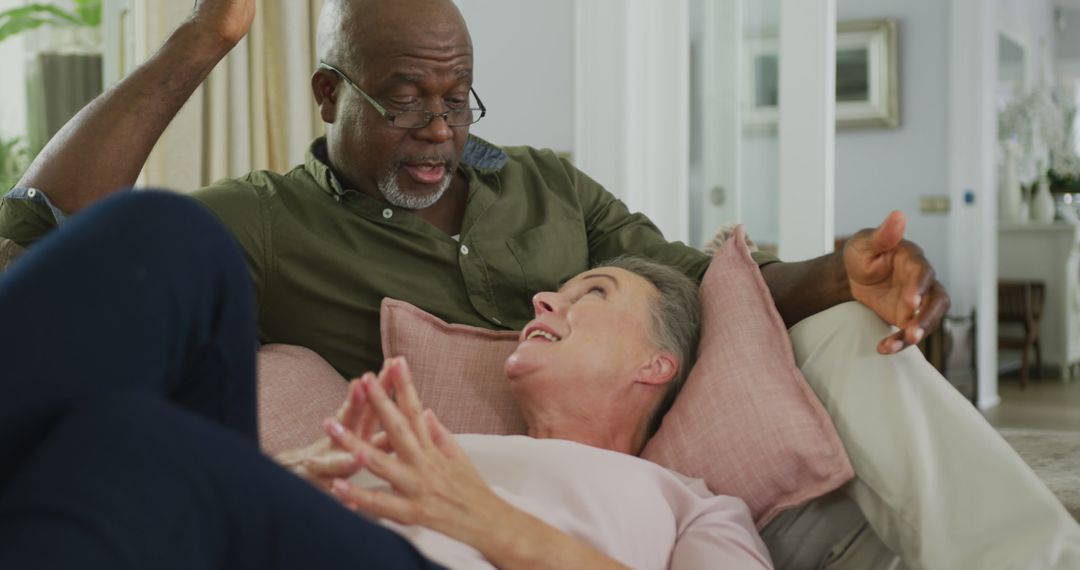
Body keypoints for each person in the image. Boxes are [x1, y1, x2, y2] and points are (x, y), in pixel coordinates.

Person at [1, 0, 1077, 568]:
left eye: (460, 100)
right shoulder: (275, 221)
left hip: (550, 517)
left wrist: (837, 272)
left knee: (845, 335)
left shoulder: (554, 195)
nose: (439, 129)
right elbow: (38, 232)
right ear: (330, 91)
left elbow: (702, 283)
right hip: (357, 509)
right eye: (404, 99)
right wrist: (206, 36)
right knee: (152, 271)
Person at [0, 191, 771, 569]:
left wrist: (484, 522)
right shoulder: (444, 447)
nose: (545, 299)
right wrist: (280, 476)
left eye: (590, 294)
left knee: (136, 443)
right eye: (556, 289)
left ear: (656, 365)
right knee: (171, 238)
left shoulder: (695, 508)